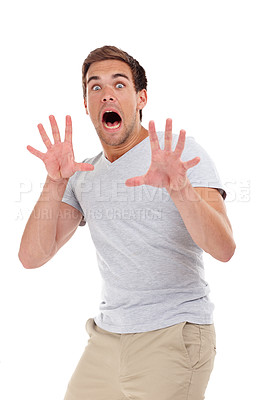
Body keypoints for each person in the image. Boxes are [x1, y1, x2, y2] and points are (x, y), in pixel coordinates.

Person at [18, 45, 236, 400]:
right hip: (106, 338)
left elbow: (224, 248)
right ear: (86, 104)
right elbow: (32, 257)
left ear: (141, 98)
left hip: (173, 334)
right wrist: (55, 181)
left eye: (119, 85)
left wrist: (180, 188)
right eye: (95, 87)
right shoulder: (83, 175)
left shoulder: (178, 154)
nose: (106, 94)